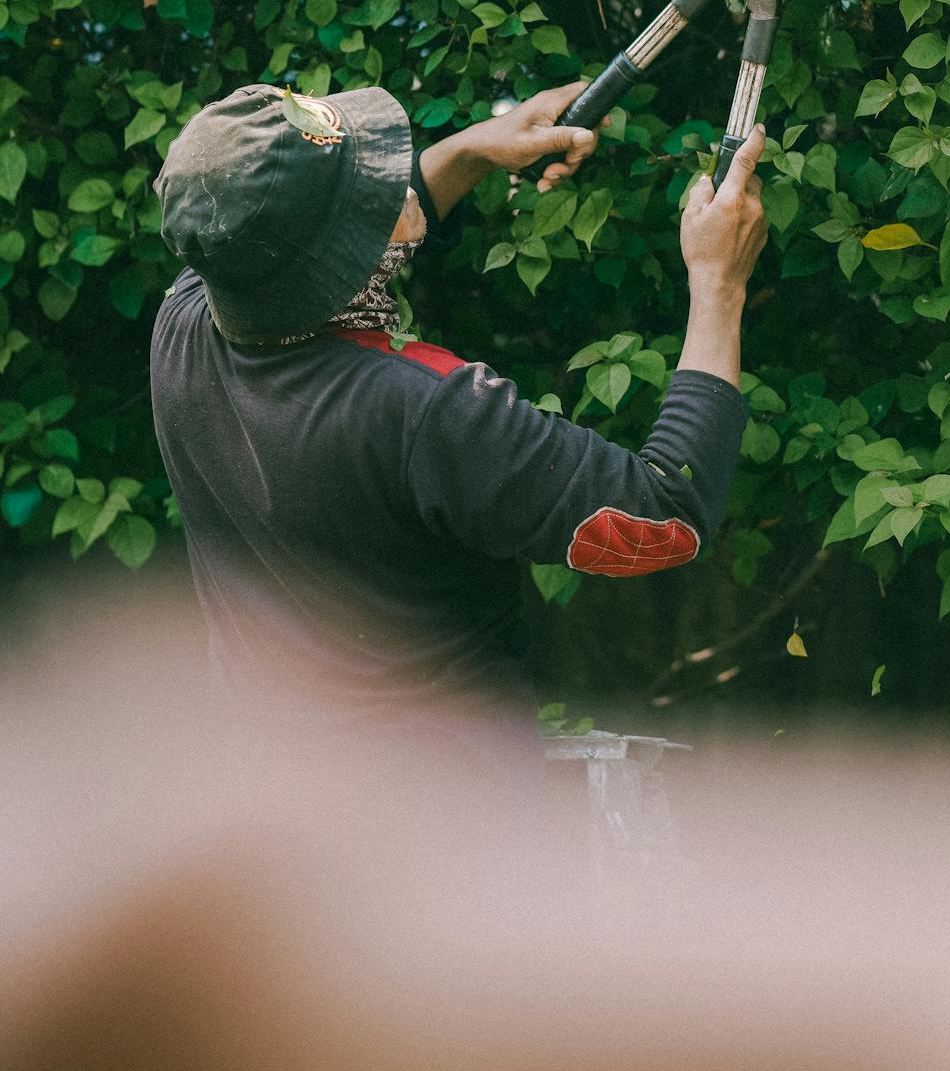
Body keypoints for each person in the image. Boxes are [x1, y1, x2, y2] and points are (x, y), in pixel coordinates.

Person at [148, 78, 767, 749]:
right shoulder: (422, 411)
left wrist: (473, 151)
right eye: (370, 190)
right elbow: (662, 515)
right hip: (438, 812)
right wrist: (719, 284)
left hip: (271, 780)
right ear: (346, 258)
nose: (397, 182)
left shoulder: (188, 317)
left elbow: (297, 238)